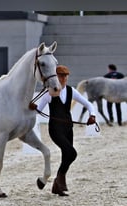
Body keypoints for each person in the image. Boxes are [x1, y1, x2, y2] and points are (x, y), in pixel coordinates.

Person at [29, 65, 96, 196]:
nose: (63, 78)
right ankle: (58, 180)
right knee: (72, 153)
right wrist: (33, 108)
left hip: (68, 128)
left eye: (65, 76)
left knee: (67, 156)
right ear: (56, 77)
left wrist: (92, 115)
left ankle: (57, 185)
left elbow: (88, 104)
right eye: (60, 76)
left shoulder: (71, 91)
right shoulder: (49, 92)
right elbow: (38, 111)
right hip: (55, 129)